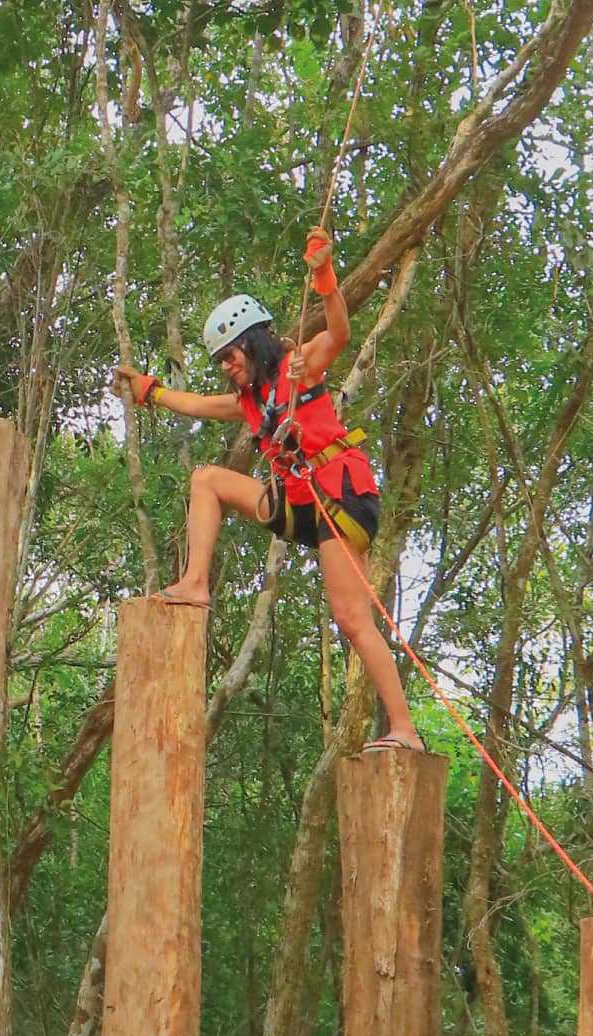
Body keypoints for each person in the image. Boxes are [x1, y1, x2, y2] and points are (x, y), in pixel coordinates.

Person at [113, 227, 422, 753]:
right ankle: (194, 583)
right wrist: (152, 390)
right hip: (299, 501)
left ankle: (405, 730)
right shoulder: (251, 401)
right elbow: (199, 406)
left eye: (232, 355)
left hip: (338, 497)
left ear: (254, 340)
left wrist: (324, 277)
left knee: (351, 617)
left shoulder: (298, 368)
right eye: (221, 362)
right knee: (206, 479)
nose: (228, 368)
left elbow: (340, 333)